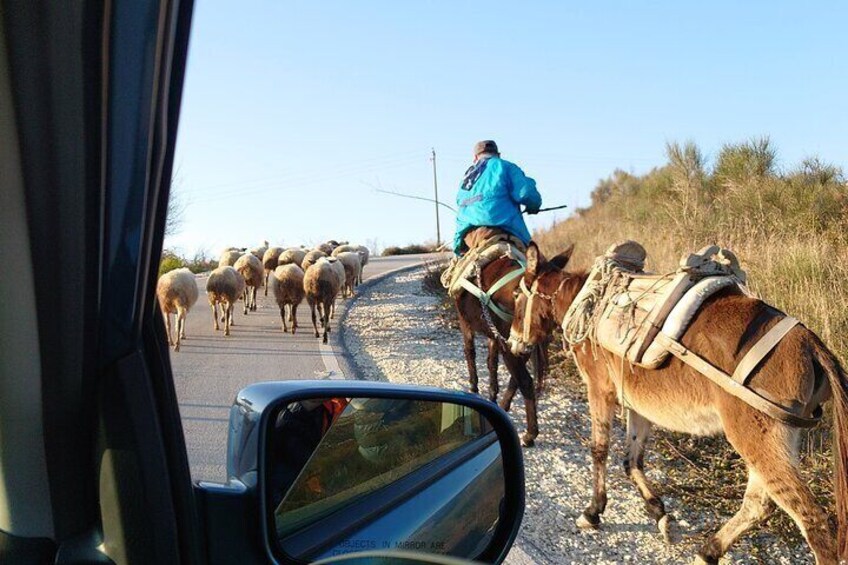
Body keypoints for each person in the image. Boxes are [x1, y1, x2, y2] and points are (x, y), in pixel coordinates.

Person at [453, 140, 542, 255]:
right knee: (540, 267)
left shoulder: (465, 179)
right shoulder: (506, 166)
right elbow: (525, 193)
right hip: (503, 231)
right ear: (498, 154)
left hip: (468, 239)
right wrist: (533, 206)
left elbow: (460, 204)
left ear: (475, 158)